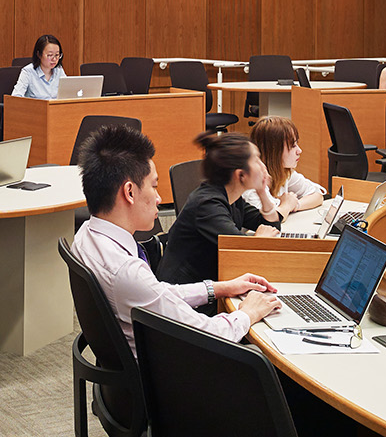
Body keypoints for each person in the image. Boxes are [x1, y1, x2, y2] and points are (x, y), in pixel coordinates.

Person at [70, 124, 281, 354]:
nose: (160, 198)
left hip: (144, 361)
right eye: (154, 186)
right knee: (271, 357)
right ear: (129, 192)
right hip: (169, 376)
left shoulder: (86, 235)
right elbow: (210, 333)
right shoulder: (126, 272)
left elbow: (157, 294)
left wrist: (218, 288)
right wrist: (247, 312)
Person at [158, 132, 284, 286]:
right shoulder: (207, 205)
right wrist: (260, 240)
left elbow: (271, 227)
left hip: (210, 287)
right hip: (184, 297)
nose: (263, 166)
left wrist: (262, 191)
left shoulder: (232, 197)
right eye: (256, 160)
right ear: (241, 175)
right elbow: (243, 253)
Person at [245, 116, 326, 214]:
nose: (299, 151)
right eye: (293, 146)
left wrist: (295, 205)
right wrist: (287, 205)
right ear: (273, 151)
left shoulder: (283, 172)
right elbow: (271, 218)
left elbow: (318, 195)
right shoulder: (251, 182)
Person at [11, 34, 68, 99]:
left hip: (55, 108)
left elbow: (68, 93)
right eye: (50, 55)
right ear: (39, 54)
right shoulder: (28, 72)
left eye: (57, 55)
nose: (54, 59)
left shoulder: (59, 70)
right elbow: (16, 97)